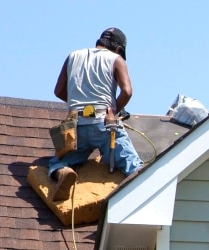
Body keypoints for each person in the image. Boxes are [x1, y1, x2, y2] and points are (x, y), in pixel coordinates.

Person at [49, 27, 144, 201]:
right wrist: (114, 110)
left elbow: (58, 91)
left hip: (75, 125)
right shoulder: (116, 59)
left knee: (57, 162)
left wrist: (77, 105)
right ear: (119, 49)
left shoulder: (73, 56)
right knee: (133, 166)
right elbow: (127, 91)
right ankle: (140, 197)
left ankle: (63, 172)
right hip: (103, 122)